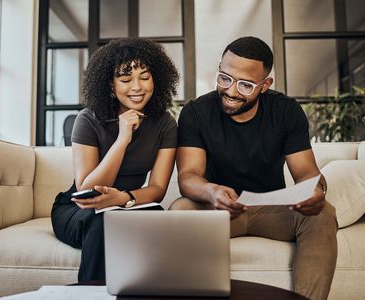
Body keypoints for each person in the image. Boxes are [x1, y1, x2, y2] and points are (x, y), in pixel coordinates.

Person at [171, 36, 337, 300]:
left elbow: (307, 173)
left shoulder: (286, 112)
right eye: (225, 78)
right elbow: (188, 177)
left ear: (265, 85)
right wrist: (212, 191)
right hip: (218, 208)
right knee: (180, 209)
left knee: (323, 212)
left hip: (272, 209)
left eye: (246, 85)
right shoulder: (196, 112)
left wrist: (316, 189)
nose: (232, 91)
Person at [51, 38, 179, 283]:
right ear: (110, 84)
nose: (137, 87)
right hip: (81, 209)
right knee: (105, 222)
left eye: (144, 76)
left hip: (127, 204)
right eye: (125, 79)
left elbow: (158, 189)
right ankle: (91, 295)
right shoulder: (88, 119)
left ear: (156, 79)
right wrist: (122, 139)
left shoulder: (164, 123)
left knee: (158, 218)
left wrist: (125, 198)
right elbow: (87, 189)